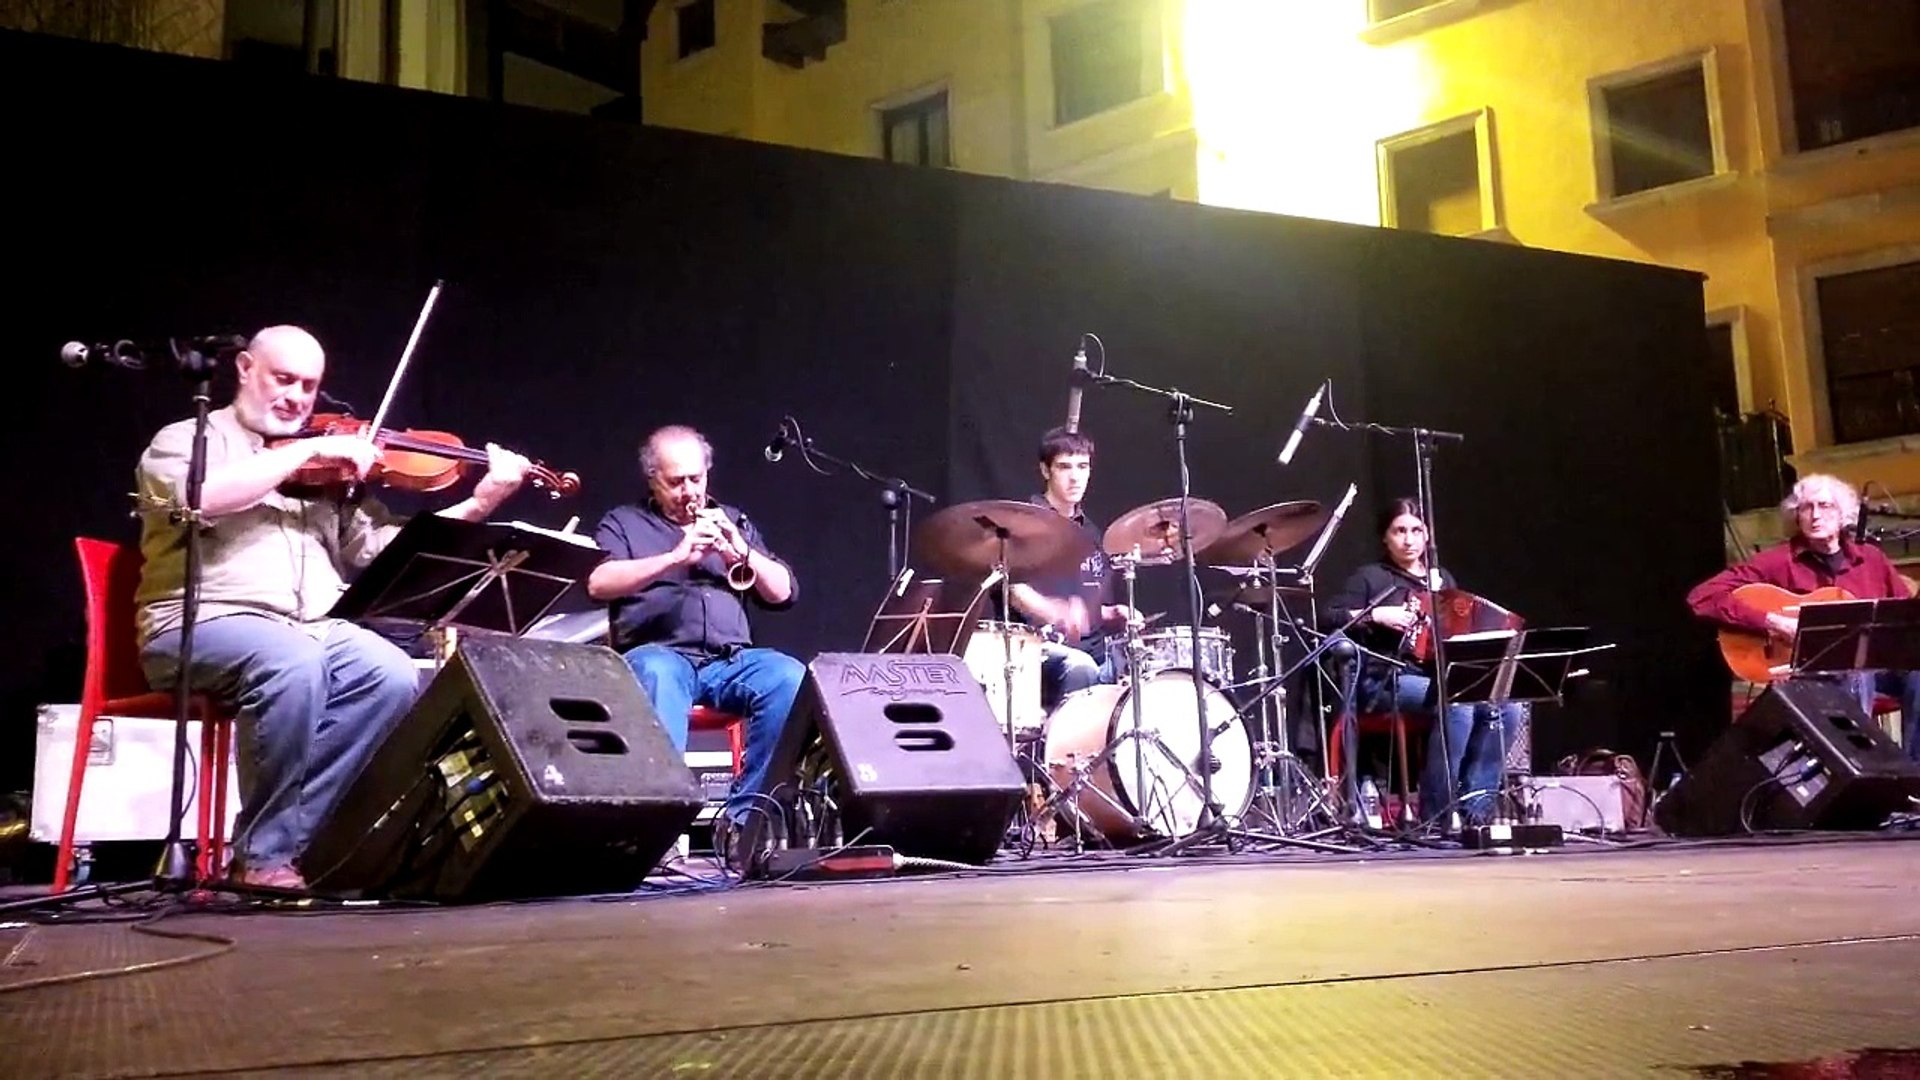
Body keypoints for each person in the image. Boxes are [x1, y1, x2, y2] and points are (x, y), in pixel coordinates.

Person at [134, 325, 534, 890]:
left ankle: (291, 845)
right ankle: (265, 855)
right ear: (244, 368)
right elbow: (199, 498)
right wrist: (309, 448)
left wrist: (479, 502)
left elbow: (383, 549)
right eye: (284, 379)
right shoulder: (187, 439)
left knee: (389, 673)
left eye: (309, 386)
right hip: (202, 622)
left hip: (309, 628)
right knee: (293, 663)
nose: (297, 397)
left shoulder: (327, 474)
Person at [588, 425, 805, 857]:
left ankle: (742, 823)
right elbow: (598, 582)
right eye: (676, 482)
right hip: (661, 654)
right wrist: (674, 557)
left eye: (696, 479)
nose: (689, 492)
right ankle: (659, 827)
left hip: (730, 660)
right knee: (656, 673)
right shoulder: (624, 523)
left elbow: (783, 593)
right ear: (653, 479)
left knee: (789, 678)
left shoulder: (733, 520)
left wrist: (739, 549)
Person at [1686, 473, 1920, 759]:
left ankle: (1912, 773)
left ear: (1843, 513)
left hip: (1872, 669)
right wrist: (1773, 621)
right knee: (1855, 670)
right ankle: (1859, 767)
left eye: (1824, 506)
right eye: (1806, 508)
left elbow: (1905, 618)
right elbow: (1702, 597)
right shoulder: (1778, 561)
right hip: (1809, 671)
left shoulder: (1871, 559)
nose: (1815, 515)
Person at [1321, 498, 1523, 827]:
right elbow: (1328, 617)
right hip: (1386, 680)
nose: (1409, 539)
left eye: (1416, 531)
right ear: (1385, 537)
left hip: (1436, 676)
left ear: (1427, 535)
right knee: (1458, 705)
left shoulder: (1440, 578)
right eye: (1399, 531)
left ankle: (1476, 808)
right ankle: (1439, 811)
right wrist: (1376, 615)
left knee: (1508, 707)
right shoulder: (1370, 577)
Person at [1004, 427, 1137, 710]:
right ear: (1045, 470)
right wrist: (1054, 612)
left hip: (1096, 650)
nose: (1075, 477)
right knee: (1081, 666)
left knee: (1144, 663)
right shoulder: (1024, 524)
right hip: (1039, 648)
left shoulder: (1092, 533)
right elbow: (1012, 589)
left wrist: (1112, 613)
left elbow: (1088, 609)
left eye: (1082, 466)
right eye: (1064, 467)